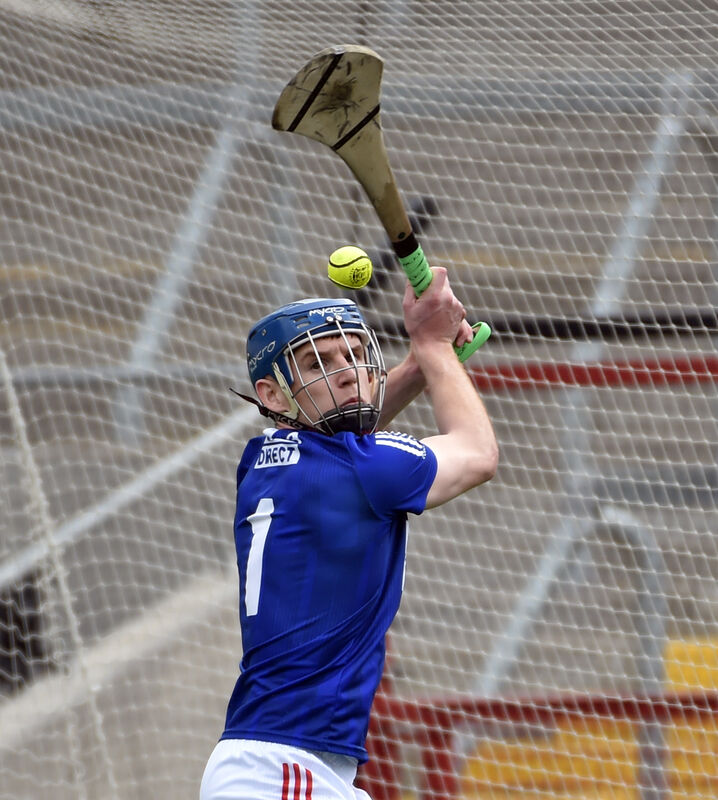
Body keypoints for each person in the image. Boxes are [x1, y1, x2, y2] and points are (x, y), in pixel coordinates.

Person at [200, 267, 498, 800]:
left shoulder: (264, 460)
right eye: (318, 363)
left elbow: (342, 438)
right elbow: (478, 454)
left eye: (356, 356)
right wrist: (433, 346)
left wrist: (421, 361)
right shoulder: (366, 468)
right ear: (270, 394)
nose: (347, 372)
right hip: (286, 769)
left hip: (277, 765)